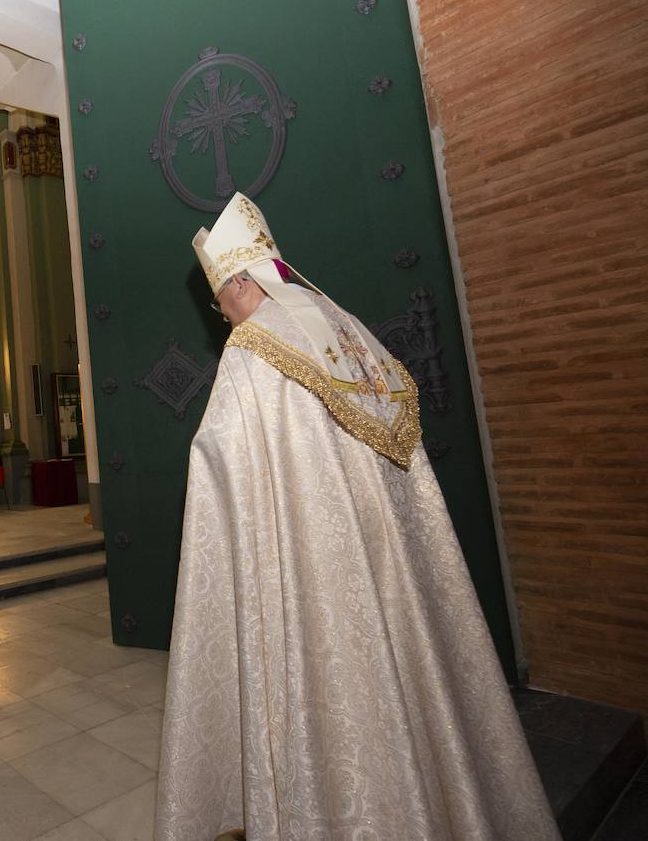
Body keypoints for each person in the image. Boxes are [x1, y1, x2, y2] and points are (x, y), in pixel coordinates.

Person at [156, 193, 559, 840]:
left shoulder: (252, 351)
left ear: (238, 281)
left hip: (316, 573)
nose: (221, 312)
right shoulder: (339, 324)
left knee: (332, 703)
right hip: (389, 562)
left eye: (219, 299)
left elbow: (221, 460)